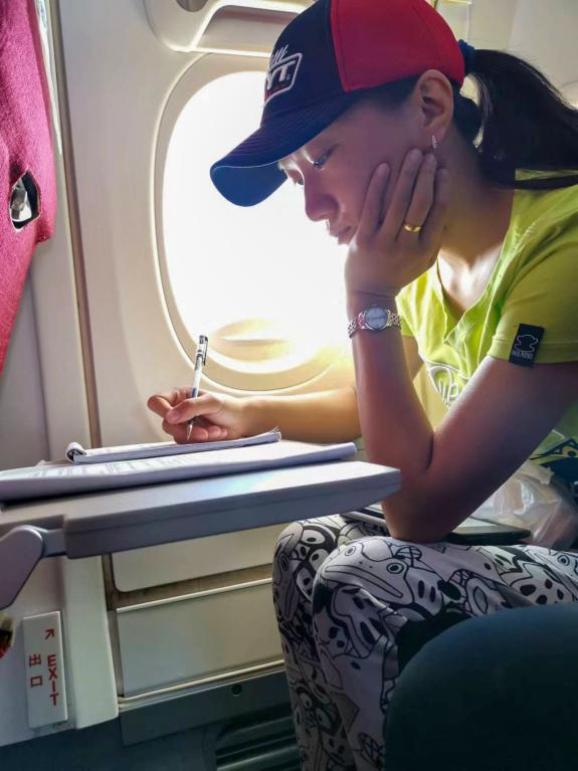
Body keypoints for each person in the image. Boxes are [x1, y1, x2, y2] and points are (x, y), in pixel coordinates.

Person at [148, 0, 578, 767]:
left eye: (322, 156)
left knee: (366, 580)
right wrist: (250, 410)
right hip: (545, 536)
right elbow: (378, 407)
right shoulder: (426, 263)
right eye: (294, 175)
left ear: (431, 107)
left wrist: (367, 296)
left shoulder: (561, 244)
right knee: (304, 548)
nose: (310, 205)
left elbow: (416, 507)